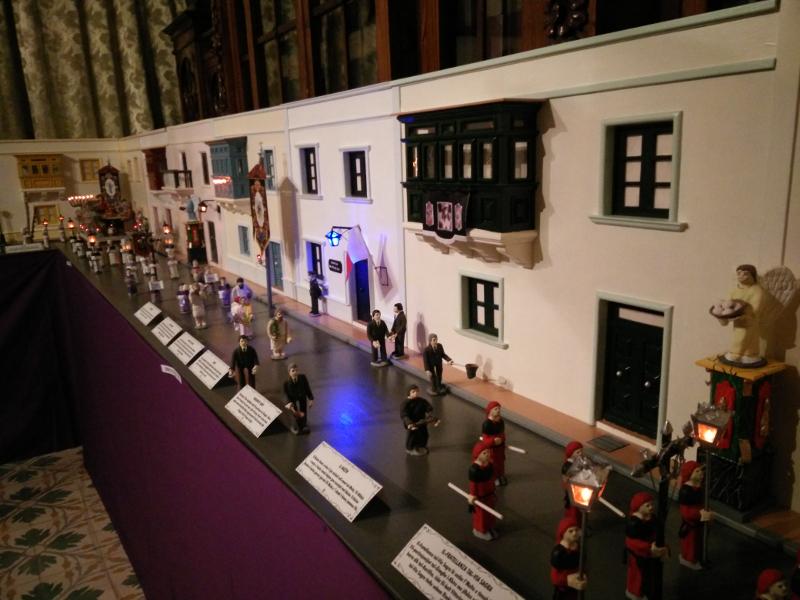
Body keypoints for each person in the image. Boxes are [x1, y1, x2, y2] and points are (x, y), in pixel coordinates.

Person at [716, 264, 765, 366]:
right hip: (738, 322)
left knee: (747, 338)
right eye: (739, 273)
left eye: (745, 274)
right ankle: (737, 354)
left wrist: (744, 314)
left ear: (752, 276)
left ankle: (746, 355)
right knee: (737, 336)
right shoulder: (734, 291)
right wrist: (723, 314)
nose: (741, 276)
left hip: (750, 322)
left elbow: (756, 309)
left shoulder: (757, 290)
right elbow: (728, 305)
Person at [624, 492, 668, 600]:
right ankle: (635, 593)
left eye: (651, 504)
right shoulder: (634, 523)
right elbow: (631, 542)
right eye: (647, 505)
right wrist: (648, 547)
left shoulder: (652, 519)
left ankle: (646, 591)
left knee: (648, 575)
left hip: (649, 554)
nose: (651, 507)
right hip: (638, 556)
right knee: (638, 575)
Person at [678, 460, 712, 570]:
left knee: (698, 543)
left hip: (699, 523)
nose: (701, 473)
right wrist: (700, 514)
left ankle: (698, 557)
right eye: (697, 471)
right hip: (691, 525)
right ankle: (689, 560)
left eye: (700, 471)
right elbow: (686, 511)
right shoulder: (686, 491)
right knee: (691, 545)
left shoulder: (699, 487)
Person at [550, 516, 587, 600]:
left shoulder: (579, 548)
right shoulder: (559, 552)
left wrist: (583, 575)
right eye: (570, 531)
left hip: (575, 589)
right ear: (563, 533)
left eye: (576, 530)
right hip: (563, 591)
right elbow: (555, 576)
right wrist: (567, 580)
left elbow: (582, 563)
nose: (574, 533)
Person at [468, 439, 498, 540]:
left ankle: (489, 527)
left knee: (489, 514)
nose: (487, 454)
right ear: (478, 455)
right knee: (481, 516)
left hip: (489, 495)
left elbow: (491, 478)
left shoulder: (489, 465)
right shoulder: (475, 470)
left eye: (488, 452)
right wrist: (472, 495)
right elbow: (473, 485)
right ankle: (480, 530)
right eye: (484, 453)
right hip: (480, 498)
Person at [401, 385, 438, 456]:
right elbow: (404, 415)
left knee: (424, 434)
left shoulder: (421, 401)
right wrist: (409, 423)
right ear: (409, 393)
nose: (416, 393)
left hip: (422, 422)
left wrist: (430, 414)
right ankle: (410, 448)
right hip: (412, 423)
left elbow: (428, 407)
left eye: (417, 391)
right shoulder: (405, 404)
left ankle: (421, 445)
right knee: (412, 436)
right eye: (413, 392)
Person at [481, 401, 507, 486]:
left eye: (499, 409)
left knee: (501, 463)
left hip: (500, 449)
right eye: (496, 409)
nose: (498, 410)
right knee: (493, 464)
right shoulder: (487, 424)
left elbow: (502, 434)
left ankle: (500, 475)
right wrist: (493, 441)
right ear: (490, 411)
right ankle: (494, 478)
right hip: (492, 450)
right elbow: (485, 441)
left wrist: (501, 439)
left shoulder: (501, 422)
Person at [284, 363, 314, 434]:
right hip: (292, 398)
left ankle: (304, 424)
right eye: (293, 371)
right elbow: (286, 395)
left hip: (302, 395)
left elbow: (307, 388)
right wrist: (289, 404)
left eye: (296, 370)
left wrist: (311, 399)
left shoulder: (302, 378)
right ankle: (296, 424)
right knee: (294, 412)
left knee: (303, 409)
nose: (295, 372)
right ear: (289, 372)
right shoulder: (286, 383)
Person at [562, 441, 584, 519]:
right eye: (578, 452)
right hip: (571, 489)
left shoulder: (578, 462)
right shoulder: (567, 466)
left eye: (581, 451)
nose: (580, 453)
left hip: (577, 488)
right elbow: (566, 480)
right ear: (571, 453)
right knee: (573, 507)